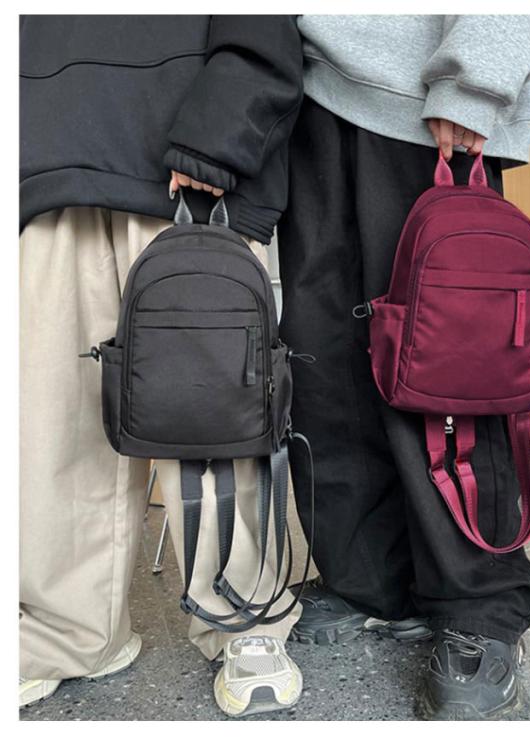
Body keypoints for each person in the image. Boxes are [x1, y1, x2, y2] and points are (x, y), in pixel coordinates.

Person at [19, 14, 305, 718]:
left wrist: (219, 137)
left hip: (187, 166)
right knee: (51, 422)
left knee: (211, 412)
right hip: (44, 166)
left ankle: (243, 616)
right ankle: (66, 634)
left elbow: (263, 28)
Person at [277, 15, 530, 720]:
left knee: (449, 369)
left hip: (426, 103)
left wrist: (475, 82)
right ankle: (371, 582)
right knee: (326, 369)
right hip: (310, 103)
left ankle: (480, 607)